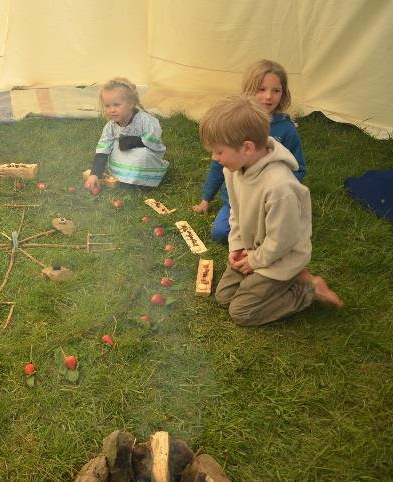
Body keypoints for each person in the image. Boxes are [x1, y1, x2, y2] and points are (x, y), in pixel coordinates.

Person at [198, 96, 342, 326]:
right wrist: (236, 247)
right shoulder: (233, 170)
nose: (214, 158)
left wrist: (255, 261)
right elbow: (235, 211)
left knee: (241, 313)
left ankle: (306, 290)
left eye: (218, 152)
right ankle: (276, 281)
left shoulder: (279, 187)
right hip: (253, 249)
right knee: (223, 297)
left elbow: (283, 240)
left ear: (246, 148)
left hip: (280, 257)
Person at [193, 59, 307, 243]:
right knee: (220, 233)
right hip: (237, 202)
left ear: (283, 93)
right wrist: (206, 198)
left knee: (273, 235)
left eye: (276, 90)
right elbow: (218, 164)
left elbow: (299, 168)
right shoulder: (234, 124)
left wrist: (280, 192)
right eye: (261, 89)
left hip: (268, 202)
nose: (269, 96)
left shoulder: (287, 130)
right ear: (249, 90)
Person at [84, 77, 168, 193]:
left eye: (117, 105)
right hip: (123, 154)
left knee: (141, 156)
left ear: (131, 103)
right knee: (114, 148)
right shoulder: (111, 126)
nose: (112, 110)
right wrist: (95, 174)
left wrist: (132, 141)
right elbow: (103, 150)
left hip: (143, 154)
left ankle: (144, 181)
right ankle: (123, 178)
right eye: (107, 106)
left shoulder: (145, 120)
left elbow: (154, 142)